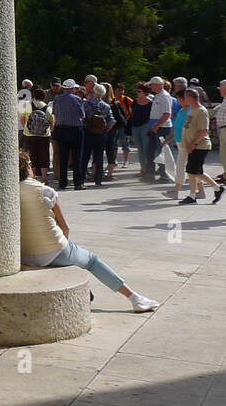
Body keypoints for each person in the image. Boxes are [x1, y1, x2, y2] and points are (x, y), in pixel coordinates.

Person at [18, 150, 158, 312]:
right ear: (29, 169)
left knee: (65, 261)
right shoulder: (45, 191)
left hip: (26, 254)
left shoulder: (9, 192)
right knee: (92, 261)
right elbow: (65, 227)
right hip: (54, 249)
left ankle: (87, 294)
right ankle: (134, 298)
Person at [177, 87, 222, 205]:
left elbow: (204, 131)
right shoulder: (191, 110)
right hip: (192, 146)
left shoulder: (201, 111)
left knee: (193, 171)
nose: (184, 99)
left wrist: (193, 144)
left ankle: (195, 195)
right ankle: (215, 189)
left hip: (200, 146)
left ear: (190, 97)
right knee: (194, 171)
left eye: (185, 97)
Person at [50, 79, 85, 190]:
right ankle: (78, 183)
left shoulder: (57, 99)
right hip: (75, 130)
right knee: (76, 157)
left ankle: (63, 182)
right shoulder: (77, 99)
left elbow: (54, 113)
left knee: (63, 157)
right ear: (73, 88)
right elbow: (82, 115)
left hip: (61, 130)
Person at [78, 84, 113, 188]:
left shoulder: (86, 104)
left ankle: (82, 179)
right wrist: (104, 130)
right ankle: (98, 180)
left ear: (93, 92)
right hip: (101, 135)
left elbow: (82, 118)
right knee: (99, 157)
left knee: (85, 157)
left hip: (88, 133)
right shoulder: (106, 106)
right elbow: (111, 121)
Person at [21, 87, 53, 181]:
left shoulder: (27, 105)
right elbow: (51, 122)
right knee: (44, 156)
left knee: (31, 155)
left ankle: (33, 177)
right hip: (44, 135)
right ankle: (44, 178)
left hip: (29, 135)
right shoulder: (48, 108)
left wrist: (27, 129)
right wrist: (49, 131)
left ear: (34, 96)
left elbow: (23, 119)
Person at [146, 77, 175, 182]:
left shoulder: (165, 96)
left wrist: (157, 126)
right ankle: (150, 174)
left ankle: (164, 175)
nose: (150, 87)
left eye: (152, 85)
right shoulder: (158, 96)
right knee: (151, 150)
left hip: (162, 128)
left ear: (158, 85)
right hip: (156, 126)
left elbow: (167, 114)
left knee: (162, 152)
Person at [128, 83, 155, 180]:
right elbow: (131, 113)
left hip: (145, 127)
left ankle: (149, 169)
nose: (137, 93)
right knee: (139, 149)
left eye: (139, 91)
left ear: (145, 92)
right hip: (135, 127)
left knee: (146, 149)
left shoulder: (150, 103)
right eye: (137, 91)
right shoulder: (135, 102)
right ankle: (143, 169)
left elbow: (152, 117)